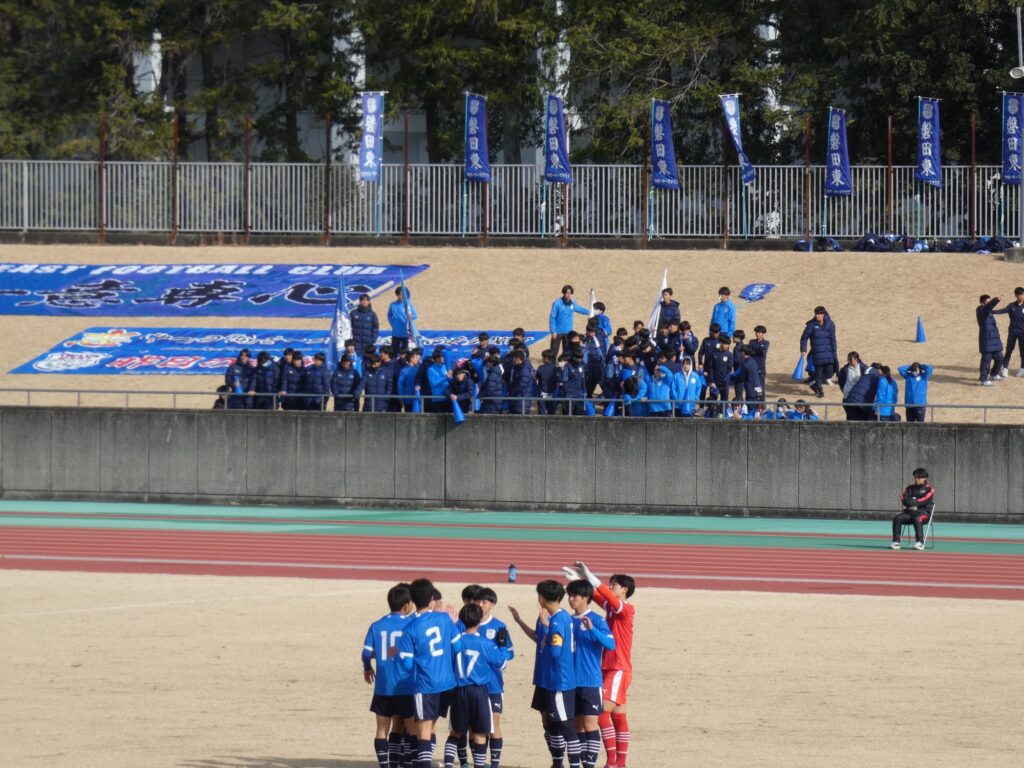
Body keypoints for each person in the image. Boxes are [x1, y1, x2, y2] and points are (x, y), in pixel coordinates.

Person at [566, 562, 635, 768]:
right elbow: (593, 598)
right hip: (609, 668)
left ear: (624, 589)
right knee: (618, 716)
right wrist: (581, 583)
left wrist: (591, 577)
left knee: (601, 713)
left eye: (614, 584)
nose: (610, 586)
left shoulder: (625, 608)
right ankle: (620, 763)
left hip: (618, 668)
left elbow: (605, 596)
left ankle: (612, 762)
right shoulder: (612, 610)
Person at [394, 578, 462, 768]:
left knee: (423, 731)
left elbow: (407, 665)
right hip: (447, 683)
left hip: (426, 685)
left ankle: (422, 763)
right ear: (432, 598)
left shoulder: (410, 628)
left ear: (412, 600)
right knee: (432, 726)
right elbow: (458, 647)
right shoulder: (444, 618)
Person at [447, 603, 513, 768]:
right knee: (480, 733)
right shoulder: (485, 643)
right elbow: (503, 664)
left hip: (458, 691)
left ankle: (448, 765)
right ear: (479, 622)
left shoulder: (455, 641)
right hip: (479, 692)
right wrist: (502, 647)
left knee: (455, 732)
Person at [362, 583, 415, 768]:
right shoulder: (411, 624)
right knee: (411, 730)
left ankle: (386, 765)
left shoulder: (376, 625)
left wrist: (368, 668)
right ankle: (406, 763)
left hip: (383, 686)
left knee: (382, 730)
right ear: (406, 605)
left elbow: (366, 653)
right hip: (406, 686)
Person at [566, 580, 615, 768]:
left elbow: (610, 644)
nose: (571, 599)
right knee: (576, 726)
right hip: (570, 682)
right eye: (569, 595)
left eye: (575, 596)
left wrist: (592, 629)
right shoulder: (567, 621)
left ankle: (590, 765)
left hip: (590, 682)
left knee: (590, 725)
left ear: (586, 598)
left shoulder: (598, 620)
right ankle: (580, 763)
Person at [474, 587, 513, 768]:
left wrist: (501, 650)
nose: (481, 605)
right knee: (477, 726)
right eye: (478, 602)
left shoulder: (499, 626)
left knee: (494, 722)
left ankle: (495, 764)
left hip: (494, 684)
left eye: (485, 602)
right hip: (473, 684)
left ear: (492, 604)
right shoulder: (469, 623)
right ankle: (477, 762)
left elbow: (510, 654)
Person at [891, 468, 936, 550]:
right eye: (915, 477)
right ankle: (896, 542)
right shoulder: (909, 488)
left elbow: (925, 500)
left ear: (925, 478)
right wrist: (912, 502)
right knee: (897, 518)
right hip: (910, 513)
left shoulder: (929, 489)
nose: (916, 479)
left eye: (919, 477)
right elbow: (904, 499)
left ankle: (919, 542)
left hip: (924, 513)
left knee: (917, 518)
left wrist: (913, 502)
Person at [799, 306, 838, 398]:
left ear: (823, 315)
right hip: (817, 353)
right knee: (818, 373)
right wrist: (803, 349)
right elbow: (804, 338)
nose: (816, 316)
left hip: (829, 352)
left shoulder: (830, 324)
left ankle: (815, 384)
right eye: (815, 314)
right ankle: (820, 391)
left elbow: (833, 339)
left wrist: (834, 351)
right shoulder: (811, 325)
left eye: (818, 314)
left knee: (830, 371)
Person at [549, 285, 591, 359]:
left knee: (567, 352)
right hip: (557, 332)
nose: (569, 295)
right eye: (567, 293)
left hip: (568, 332)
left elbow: (580, 309)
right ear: (563, 293)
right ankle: (552, 365)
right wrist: (553, 331)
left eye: (570, 293)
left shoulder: (572, 303)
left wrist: (590, 312)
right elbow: (552, 318)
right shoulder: (557, 303)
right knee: (553, 352)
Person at [994, 286, 1024, 377]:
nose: (1019, 296)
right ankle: (1005, 368)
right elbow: (1002, 310)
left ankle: (1022, 368)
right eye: (1017, 295)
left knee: (1023, 351)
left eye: (1021, 294)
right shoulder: (1012, 306)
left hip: (1023, 333)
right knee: (1009, 350)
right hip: (1013, 332)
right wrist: (991, 311)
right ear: (1015, 295)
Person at [977, 294, 1003, 385]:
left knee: (1000, 358)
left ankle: (993, 374)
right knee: (986, 361)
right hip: (986, 341)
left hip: (995, 341)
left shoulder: (989, 311)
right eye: (988, 302)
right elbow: (988, 307)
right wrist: (996, 300)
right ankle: (983, 379)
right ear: (982, 303)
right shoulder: (981, 310)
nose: (989, 303)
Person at [388, 286, 418, 356]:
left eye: (402, 294)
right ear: (397, 295)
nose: (401, 296)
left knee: (405, 352)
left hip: (406, 333)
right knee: (394, 351)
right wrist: (392, 324)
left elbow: (415, 315)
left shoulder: (408, 305)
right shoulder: (393, 305)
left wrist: (411, 316)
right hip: (396, 333)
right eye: (399, 294)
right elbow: (389, 315)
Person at [838, 351, 868, 421]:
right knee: (850, 418)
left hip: (860, 398)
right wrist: (844, 389)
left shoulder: (864, 368)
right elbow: (841, 380)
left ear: (856, 359)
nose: (849, 362)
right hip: (848, 397)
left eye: (851, 360)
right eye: (848, 360)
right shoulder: (845, 370)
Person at [749, 325, 770, 394]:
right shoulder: (751, 342)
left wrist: (754, 350)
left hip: (761, 368)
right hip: (752, 368)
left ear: (763, 333)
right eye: (756, 332)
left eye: (759, 332)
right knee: (752, 387)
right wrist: (759, 349)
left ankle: (761, 400)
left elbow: (763, 352)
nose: (757, 334)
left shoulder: (766, 342)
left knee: (761, 387)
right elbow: (750, 352)